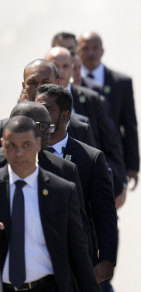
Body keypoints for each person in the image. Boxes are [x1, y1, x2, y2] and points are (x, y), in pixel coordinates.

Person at [0, 116, 100, 291]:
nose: (19, 153)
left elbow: (79, 253)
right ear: (2, 145)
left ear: (38, 144)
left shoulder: (61, 191)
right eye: (12, 146)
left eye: (26, 145)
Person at [35, 84, 118, 284]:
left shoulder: (90, 158)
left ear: (65, 116)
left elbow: (104, 212)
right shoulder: (26, 155)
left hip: (77, 259)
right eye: (36, 109)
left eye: (46, 110)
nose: (39, 117)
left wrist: (106, 260)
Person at [45, 46, 126, 199]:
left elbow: (111, 145)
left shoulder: (91, 101)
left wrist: (119, 183)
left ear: (73, 68)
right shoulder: (31, 103)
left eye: (65, 66)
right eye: (55, 66)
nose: (61, 71)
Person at [78, 31, 140, 193]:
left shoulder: (121, 83)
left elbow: (130, 125)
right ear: (78, 52)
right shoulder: (71, 83)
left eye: (95, 48)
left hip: (111, 158)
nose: (91, 53)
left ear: (102, 51)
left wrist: (132, 166)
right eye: (85, 48)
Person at [20, 58, 96, 147]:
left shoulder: (79, 129)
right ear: (24, 86)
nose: (39, 89)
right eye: (32, 83)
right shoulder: (6, 128)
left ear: (57, 84)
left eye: (45, 82)